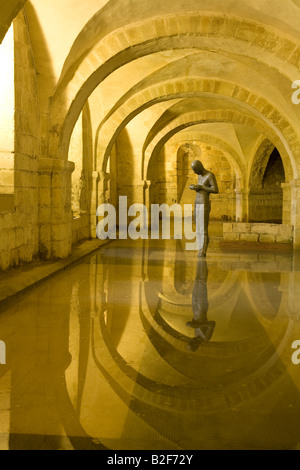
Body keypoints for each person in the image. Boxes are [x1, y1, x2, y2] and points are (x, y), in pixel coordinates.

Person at [189, 160, 219, 257]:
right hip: (197, 202)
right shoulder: (199, 175)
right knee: (198, 227)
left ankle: (203, 250)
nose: (195, 173)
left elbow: (215, 189)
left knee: (203, 228)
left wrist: (202, 187)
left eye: (196, 170)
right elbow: (199, 187)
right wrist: (194, 187)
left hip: (204, 203)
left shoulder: (210, 175)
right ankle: (199, 247)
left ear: (200, 167)